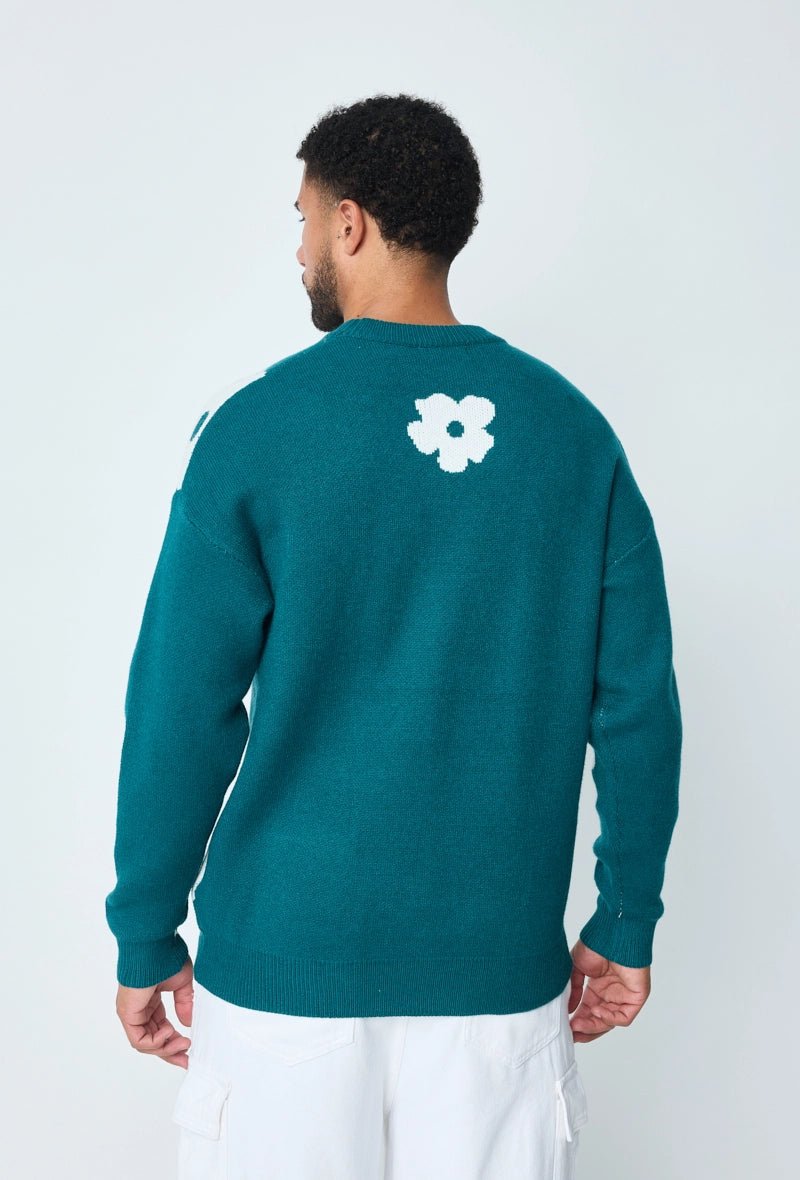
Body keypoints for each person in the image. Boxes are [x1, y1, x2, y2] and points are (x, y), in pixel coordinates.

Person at [105, 92, 682, 1179]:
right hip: (495, 987)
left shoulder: (257, 428)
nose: (299, 251)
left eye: (303, 221)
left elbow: (180, 704)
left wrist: (145, 930)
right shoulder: (573, 435)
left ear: (350, 223)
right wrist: (624, 916)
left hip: (281, 983)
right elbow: (636, 706)